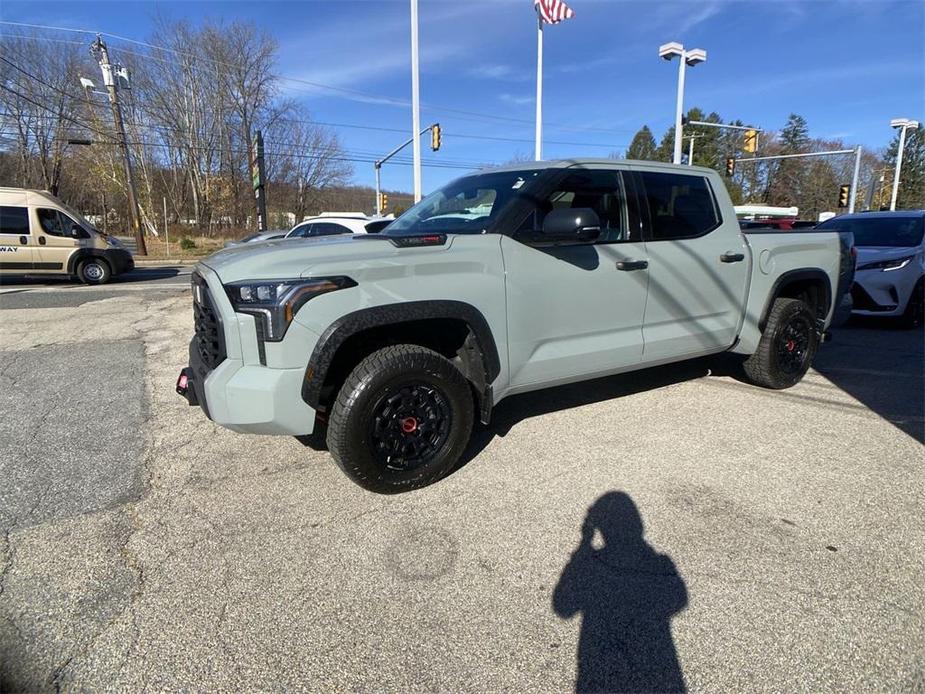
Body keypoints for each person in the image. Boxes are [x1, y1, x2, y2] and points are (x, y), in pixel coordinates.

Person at [553, 492, 688, 693]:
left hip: (600, 669)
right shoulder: (660, 564)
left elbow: (563, 606)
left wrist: (584, 545)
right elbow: (679, 598)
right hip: (655, 670)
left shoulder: (591, 566)